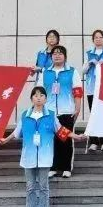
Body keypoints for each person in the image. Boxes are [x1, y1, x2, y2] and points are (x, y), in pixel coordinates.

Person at [0, 86, 87, 207]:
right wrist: (5, 140)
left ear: (46, 99)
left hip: (45, 157)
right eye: (35, 95)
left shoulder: (51, 115)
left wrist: (76, 136)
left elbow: (61, 131)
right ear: (31, 99)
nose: (38, 98)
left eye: (41, 95)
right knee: (30, 187)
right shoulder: (25, 115)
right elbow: (17, 132)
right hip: (28, 157)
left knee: (43, 187)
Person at [38, 45, 83, 178]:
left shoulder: (72, 71)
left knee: (66, 139)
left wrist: (77, 108)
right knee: (51, 140)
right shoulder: (45, 72)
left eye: (60, 53)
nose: (57, 56)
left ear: (65, 56)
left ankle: (66, 167)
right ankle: (53, 167)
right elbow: (39, 92)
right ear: (51, 57)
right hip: (49, 112)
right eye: (54, 54)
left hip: (66, 111)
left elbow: (77, 91)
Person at [83, 29, 103, 152]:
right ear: (93, 40)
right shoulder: (89, 54)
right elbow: (83, 71)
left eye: (100, 37)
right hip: (92, 89)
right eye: (96, 37)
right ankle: (94, 142)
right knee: (93, 115)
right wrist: (90, 63)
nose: (98, 39)